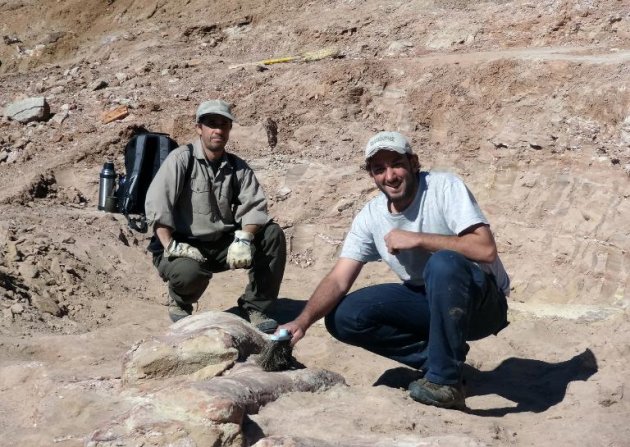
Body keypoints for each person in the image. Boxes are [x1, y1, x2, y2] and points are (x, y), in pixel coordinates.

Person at [280, 131, 509, 409]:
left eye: (396, 164)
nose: (390, 176)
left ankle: (445, 382)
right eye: (380, 169)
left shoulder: (444, 187)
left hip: (482, 304)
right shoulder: (372, 215)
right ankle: (441, 361)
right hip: (428, 299)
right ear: (372, 176)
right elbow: (339, 278)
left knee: (443, 262)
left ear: (414, 163)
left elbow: (485, 249)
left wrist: (421, 239)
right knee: (344, 316)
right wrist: (302, 322)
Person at [145, 99, 286, 333]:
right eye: (211, 124)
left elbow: (255, 206)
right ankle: (180, 299)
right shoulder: (181, 159)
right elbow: (158, 206)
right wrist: (170, 245)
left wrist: (244, 238)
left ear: (230, 129)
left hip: (222, 244)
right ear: (199, 128)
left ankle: (255, 306)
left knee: (272, 234)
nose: (218, 130)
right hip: (183, 246)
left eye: (224, 124)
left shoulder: (237, 166)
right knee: (189, 274)